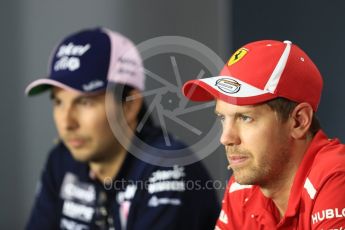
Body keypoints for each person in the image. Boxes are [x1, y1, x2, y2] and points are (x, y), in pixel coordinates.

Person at [25, 27, 219, 230]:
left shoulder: (169, 167)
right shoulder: (62, 160)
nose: (67, 122)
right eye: (58, 102)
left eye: (85, 102)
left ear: (130, 104)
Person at [182, 40, 345, 229]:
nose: (226, 138)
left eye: (245, 118)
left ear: (299, 121)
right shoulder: (243, 189)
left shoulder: (336, 178)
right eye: (222, 118)